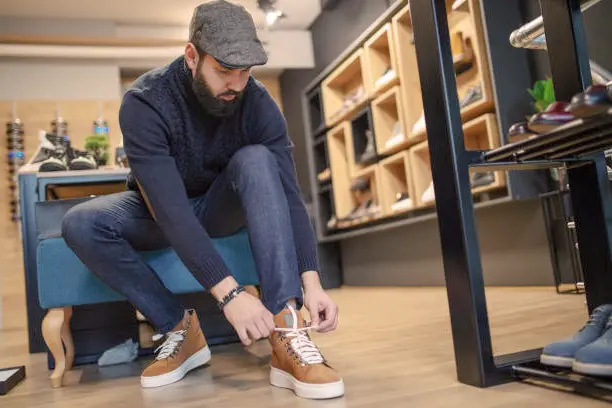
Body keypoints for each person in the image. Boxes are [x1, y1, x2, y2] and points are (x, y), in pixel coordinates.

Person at [60, 0, 344, 400]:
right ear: (191, 56)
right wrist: (230, 294)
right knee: (81, 222)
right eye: (224, 71)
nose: (237, 84)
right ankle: (179, 328)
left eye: (245, 72)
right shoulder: (145, 102)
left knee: (258, 159)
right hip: (158, 211)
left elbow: (290, 195)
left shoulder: (258, 103)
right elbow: (170, 210)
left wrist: (311, 282)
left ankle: (286, 327)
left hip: (217, 207)